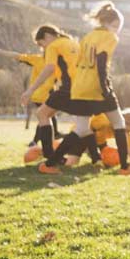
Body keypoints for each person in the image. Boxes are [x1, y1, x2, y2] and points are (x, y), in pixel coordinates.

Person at [35, 2, 130, 175]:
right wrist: (105, 87)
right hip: (97, 88)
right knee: (119, 123)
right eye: (115, 26)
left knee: (81, 128)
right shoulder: (110, 37)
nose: (116, 31)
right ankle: (125, 167)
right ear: (107, 23)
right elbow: (101, 60)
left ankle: (50, 164)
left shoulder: (87, 37)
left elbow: (79, 63)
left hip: (79, 88)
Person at [0, 27, 65, 149]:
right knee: (45, 117)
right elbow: (17, 55)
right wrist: (0, 52)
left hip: (49, 95)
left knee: (45, 117)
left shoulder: (57, 62)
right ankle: (42, 141)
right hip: (39, 95)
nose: (43, 48)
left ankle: (45, 140)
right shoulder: (38, 59)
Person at [17, 25, 79, 164]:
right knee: (81, 124)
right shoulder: (73, 43)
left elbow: (49, 68)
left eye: (41, 44)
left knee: (41, 114)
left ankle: (51, 156)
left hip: (67, 88)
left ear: (47, 36)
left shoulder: (53, 46)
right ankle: (94, 156)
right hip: (82, 87)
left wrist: (30, 90)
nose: (42, 48)